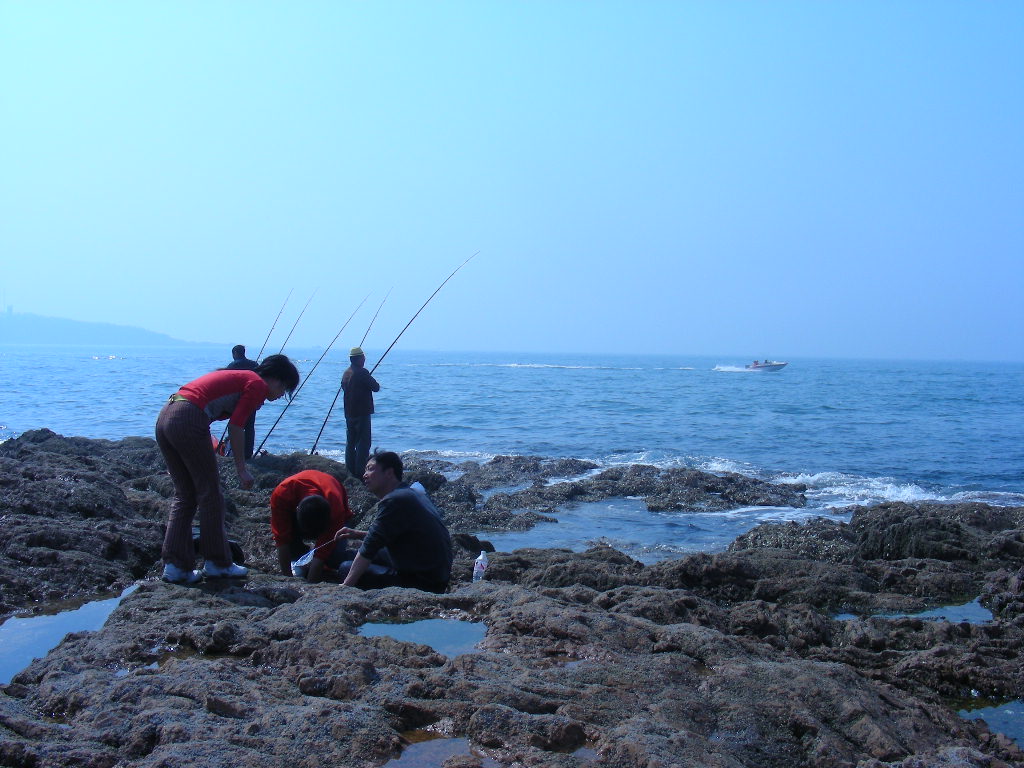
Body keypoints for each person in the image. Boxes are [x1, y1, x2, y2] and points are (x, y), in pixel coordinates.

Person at [156, 353, 300, 584]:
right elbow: (236, 426)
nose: (282, 394)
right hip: (188, 417)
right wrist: (241, 468)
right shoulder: (256, 384)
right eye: (284, 388)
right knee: (211, 494)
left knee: (185, 495)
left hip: (167, 415)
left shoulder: (242, 377)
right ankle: (218, 564)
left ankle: (175, 567)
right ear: (275, 379)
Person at [336, 451, 451, 593]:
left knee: (345, 568)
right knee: (351, 556)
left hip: (422, 582)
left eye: (370, 469)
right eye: (365, 470)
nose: (364, 474)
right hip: (435, 573)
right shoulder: (412, 493)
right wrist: (358, 534)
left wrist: (345, 588)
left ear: (389, 473)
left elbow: (369, 547)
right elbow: (398, 535)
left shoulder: (394, 500)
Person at [270, 469, 353, 583]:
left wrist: (311, 584)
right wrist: (288, 580)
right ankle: (302, 557)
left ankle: (367, 555)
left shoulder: (335, 509)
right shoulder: (282, 494)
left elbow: (322, 553)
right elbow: (281, 539)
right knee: (292, 548)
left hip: (336, 507)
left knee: (333, 559)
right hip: (294, 501)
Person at [341, 346, 380, 478]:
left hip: (349, 413)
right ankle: (360, 472)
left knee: (351, 442)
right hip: (362, 413)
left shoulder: (346, 373)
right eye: (363, 357)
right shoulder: (362, 372)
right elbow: (376, 387)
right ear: (358, 359)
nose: (364, 359)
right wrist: (367, 376)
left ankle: (350, 470)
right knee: (364, 443)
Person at [225, 344, 260, 459]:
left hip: (237, 401)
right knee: (250, 427)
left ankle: (234, 452)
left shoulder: (232, 366)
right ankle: (248, 453)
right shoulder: (254, 365)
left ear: (235, 353)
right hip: (252, 399)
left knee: (235, 425)